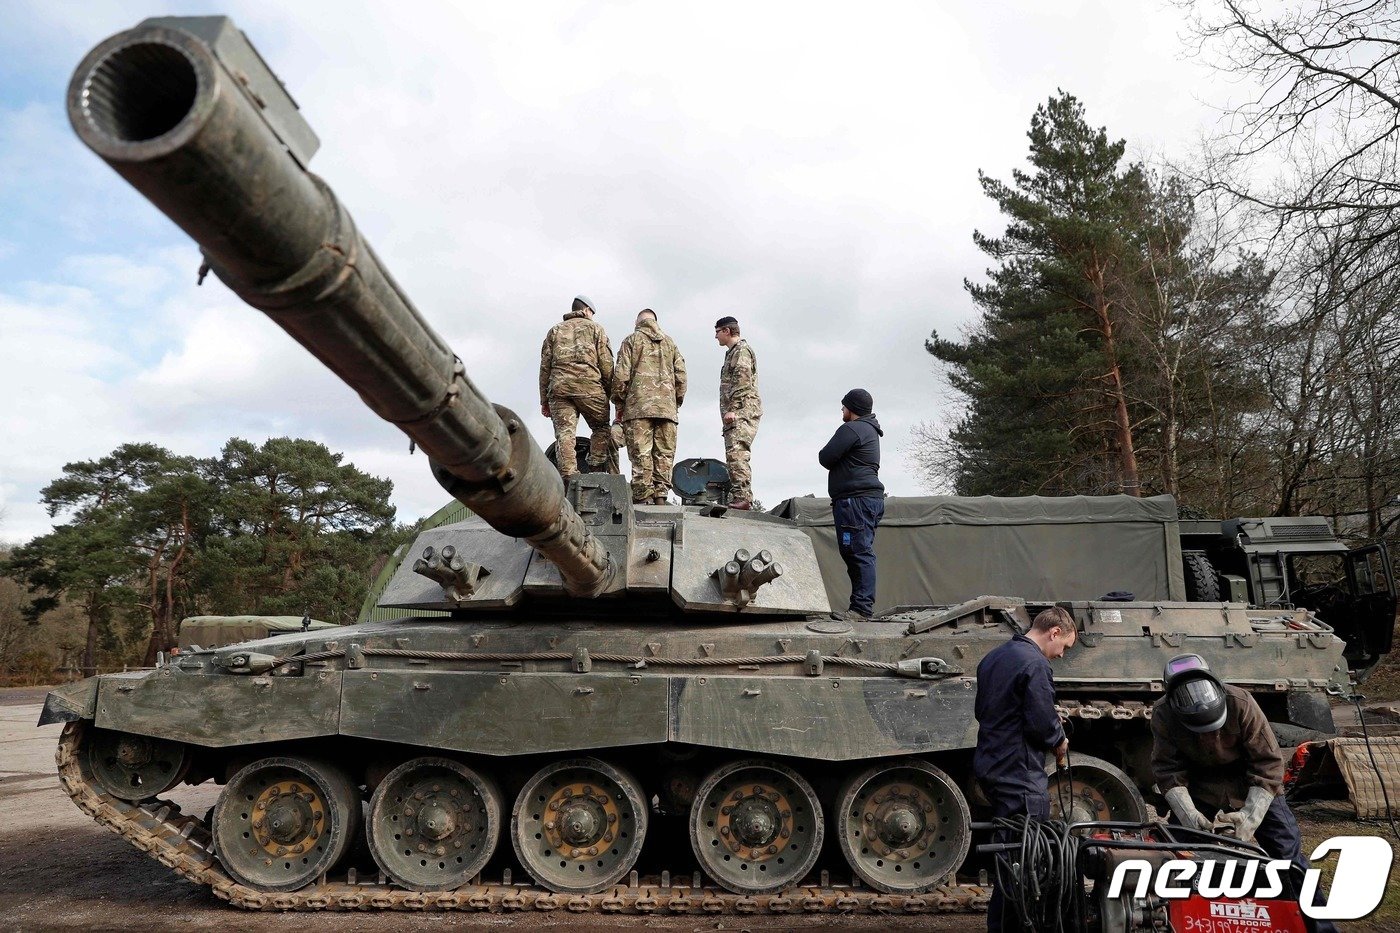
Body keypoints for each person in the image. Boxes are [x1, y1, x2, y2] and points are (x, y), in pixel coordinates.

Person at [1151, 654, 1337, 933]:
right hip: (1199, 789)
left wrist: (1250, 817)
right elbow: (1167, 769)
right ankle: (1176, 920)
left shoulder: (1241, 702)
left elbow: (1268, 763)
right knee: (1176, 852)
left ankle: (1321, 927)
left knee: (1288, 855)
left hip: (1253, 784)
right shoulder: (1163, 713)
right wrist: (1189, 814)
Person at [974, 606, 1076, 933]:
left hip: (992, 762)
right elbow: (1043, 724)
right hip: (1019, 771)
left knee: (1011, 851)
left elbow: (989, 710)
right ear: (1054, 632)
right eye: (1065, 647)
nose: (1061, 655)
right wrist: (1058, 740)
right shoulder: (1035, 663)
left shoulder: (994, 657)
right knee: (1025, 858)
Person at [817, 389, 885, 621]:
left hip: (855, 501)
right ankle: (860, 606)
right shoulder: (870, 430)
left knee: (858, 552)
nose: (842, 409)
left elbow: (825, 457)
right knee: (856, 550)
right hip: (865, 500)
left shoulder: (853, 429)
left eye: (844, 406)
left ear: (852, 408)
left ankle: (861, 609)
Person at [612, 309, 687, 504]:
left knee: (641, 453)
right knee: (664, 453)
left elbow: (621, 376)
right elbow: (681, 376)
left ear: (637, 322)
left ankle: (643, 496)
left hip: (638, 408)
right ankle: (661, 496)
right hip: (667, 409)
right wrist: (674, 401)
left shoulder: (631, 341)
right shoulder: (670, 343)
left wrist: (619, 402)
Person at [539, 295, 614, 479]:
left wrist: (544, 400)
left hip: (559, 389)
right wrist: (610, 393)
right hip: (589, 388)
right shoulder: (596, 329)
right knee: (601, 427)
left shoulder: (554, 331)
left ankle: (569, 477)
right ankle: (596, 471)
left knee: (565, 434)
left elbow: (544, 368)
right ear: (587, 310)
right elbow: (606, 365)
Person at [714, 316, 761, 509]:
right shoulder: (734, 352)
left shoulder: (741, 351)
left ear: (726, 331)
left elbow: (742, 380)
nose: (715, 336)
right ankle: (740, 496)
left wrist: (733, 409)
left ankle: (743, 498)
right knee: (734, 453)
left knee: (737, 453)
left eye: (717, 332)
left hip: (741, 411)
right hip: (739, 411)